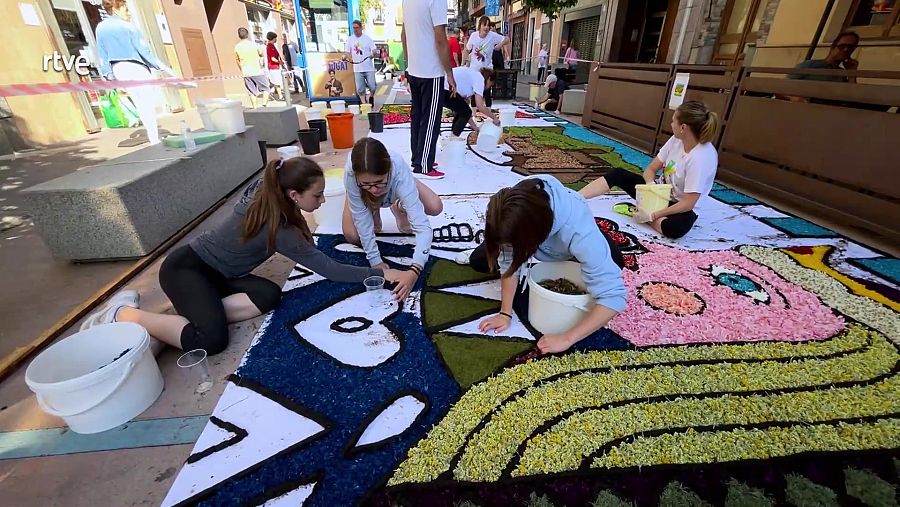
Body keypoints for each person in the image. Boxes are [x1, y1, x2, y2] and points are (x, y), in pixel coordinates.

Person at [80, 157, 407, 355]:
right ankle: (123, 314)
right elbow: (330, 269)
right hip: (186, 270)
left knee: (268, 295)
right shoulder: (278, 227)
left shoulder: (270, 193)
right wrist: (380, 274)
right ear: (293, 195)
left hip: (219, 276)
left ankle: (185, 317)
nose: (323, 200)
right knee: (210, 340)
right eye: (318, 195)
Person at [456, 175, 626, 354]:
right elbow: (508, 264)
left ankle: (578, 256)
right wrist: (505, 313)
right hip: (531, 232)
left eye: (513, 246)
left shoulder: (580, 233)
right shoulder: (512, 205)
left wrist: (566, 338)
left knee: (615, 263)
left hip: (569, 236)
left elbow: (614, 297)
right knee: (479, 261)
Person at [579, 101, 720, 239]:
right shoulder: (676, 140)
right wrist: (650, 187)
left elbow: (688, 203)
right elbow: (651, 169)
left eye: (673, 121)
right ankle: (574, 197)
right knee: (618, 174)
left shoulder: (701, 158)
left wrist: (653, 215)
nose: (671, 125)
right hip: (658, 193)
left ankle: (644, 214)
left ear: (683, 127)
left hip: (680, 205)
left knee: (676, 229)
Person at [342, 138, 443, 301]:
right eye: (366, 184)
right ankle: (369, 206)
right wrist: (375, 261)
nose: (374, 189)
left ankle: (399, 205)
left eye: (379, 182)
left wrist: (415, 269)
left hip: (398, 182)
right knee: (352, 236)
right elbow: (362, 221)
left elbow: (423, 227)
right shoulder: (351, 174)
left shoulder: (398, 170)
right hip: (361, 195)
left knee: (435, 206)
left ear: (389, 171)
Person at [96, 0, 174, 145]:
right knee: (147, 102)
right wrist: (163, 67)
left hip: (118, 69)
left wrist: (109, 75)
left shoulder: (101, 28)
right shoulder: (128, 27)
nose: (129, 12)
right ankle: (153, 137)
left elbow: (102, 53)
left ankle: (152, 136)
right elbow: (144, 51)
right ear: (116, 8)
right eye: (126, 9)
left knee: (139, 103)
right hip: (136, 67)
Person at [401, 0, 456, 180]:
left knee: (417, 118)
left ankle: (418, 159)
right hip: (431, 71)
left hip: (415, 69)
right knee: (430, 119)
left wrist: (410, 64)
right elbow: (440, 37)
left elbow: (404, 34)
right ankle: (424, 165)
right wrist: (449, 72)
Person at [442, 66, 499, 136]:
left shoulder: (474, 76)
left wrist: (475, 127)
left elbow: (464, 111)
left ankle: (453, 135)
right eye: (491, 84)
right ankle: (454, 138)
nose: (489, 87)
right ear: (489, 78)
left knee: (462, 110)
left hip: (443, 87)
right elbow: (480, 106)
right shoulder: (480, 79)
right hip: (445, 88)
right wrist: (495, 118)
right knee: (465, 111)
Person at [466, 17, 510, 107]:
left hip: (487, 68)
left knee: (486, 90)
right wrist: (465, 62)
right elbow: (467, 49)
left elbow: (507, 39)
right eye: (484, 25)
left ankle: (488, 111)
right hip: (475, 68)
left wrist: (500, 45)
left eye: (488, 25)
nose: (486, 27)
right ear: (480, 26)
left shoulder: (492, 35)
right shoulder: (474, 35)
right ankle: (474, 114)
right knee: (475, 91)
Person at [790, 31, 859, 83]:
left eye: (850, 47)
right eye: (842, 46)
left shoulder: (841, 73)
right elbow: (785, 86)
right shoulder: (810, 65)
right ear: (833, 46)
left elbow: (851, 96)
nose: (845, 50)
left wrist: (852, 73)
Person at [343, 20, 378, 106]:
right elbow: (347, 52)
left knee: (372, 86)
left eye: (357, 28)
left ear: (361, 28)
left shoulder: (367, 39)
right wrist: (348, 57)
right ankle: (364, 104)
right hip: (357, 69)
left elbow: (374, 50)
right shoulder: (350, 39)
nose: (355, 30)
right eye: (354, 28)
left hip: (368, 67)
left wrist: (373, 54)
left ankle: (371, 96)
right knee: (360, 89)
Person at [235, 27, 269, 108]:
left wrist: (242, 69)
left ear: (239, 36)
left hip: (246, 72)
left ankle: (255, 107)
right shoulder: (254, 44)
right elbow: (261, 54)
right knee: (266, 88)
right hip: (257, 70)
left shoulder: (237, 47)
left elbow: (237, 60)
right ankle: (264, 104)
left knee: (251, 91)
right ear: (248, 34)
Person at [265, 32, 285, 101]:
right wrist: (280, 62)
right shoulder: (270, 46)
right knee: (277, 82)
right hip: (273, 66)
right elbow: (272, 58)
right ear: (273, 38)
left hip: (275, 66)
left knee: (275, 81)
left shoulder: (272, 46)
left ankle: (271, 92)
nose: (276, 39)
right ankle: (280, 96)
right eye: (275, 38)